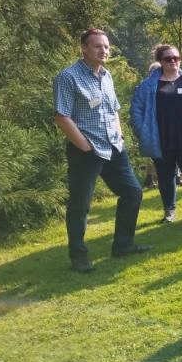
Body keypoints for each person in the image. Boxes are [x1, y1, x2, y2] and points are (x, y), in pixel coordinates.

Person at [53, 28, 149, 273]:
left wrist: (120, 134)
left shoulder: (106, 75)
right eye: (97, 46)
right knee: (80, 205)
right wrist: (85, 146)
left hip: (114, 147)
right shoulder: (68, 77)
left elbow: (113, 109)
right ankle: (79, 257)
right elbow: (62, 117)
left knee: (133, 193)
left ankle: (123, 245)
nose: (103, 51)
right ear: (84, 48)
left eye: (106, 46)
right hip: (86, 150)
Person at [130, 45, 182, 223]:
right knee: (165, 177)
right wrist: (143, 132)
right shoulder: (148, 86)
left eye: (176, 58)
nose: (173, 61)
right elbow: (136, 110)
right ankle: (169, 212)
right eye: (167, 59)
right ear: (160, 61)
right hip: (160, 139)